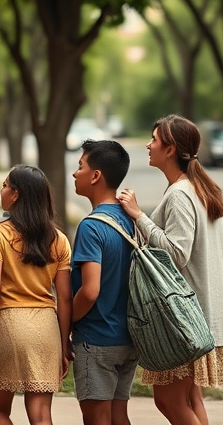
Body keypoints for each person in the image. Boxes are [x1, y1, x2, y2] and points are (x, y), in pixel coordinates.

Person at [116, 115, 223, 425]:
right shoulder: (200, 188)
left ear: (169, 149)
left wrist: (139, 216)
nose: (148, 145)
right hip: (203, 312)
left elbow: (177, 254)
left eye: (154, 140)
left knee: (168, 400)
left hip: (185, 317)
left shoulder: (181, 194)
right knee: (191, 398)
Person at [0, 164, 73, 425]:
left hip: (10, 326)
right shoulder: (59, 239)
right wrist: (64, 343)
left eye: (5, 185)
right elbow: (64, 297)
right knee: (41, 415)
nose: (2, 190)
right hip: (47, 328)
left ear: (16, 194)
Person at [70, 139, 138, 425]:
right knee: (119, 416)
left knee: (97, 419)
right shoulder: (132, 219)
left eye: (80, 166)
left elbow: (90, 290)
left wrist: (66, 321)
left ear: (96, 175)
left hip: (96, 340)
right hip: (129, 338)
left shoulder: (91, 226)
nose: (75, 173)